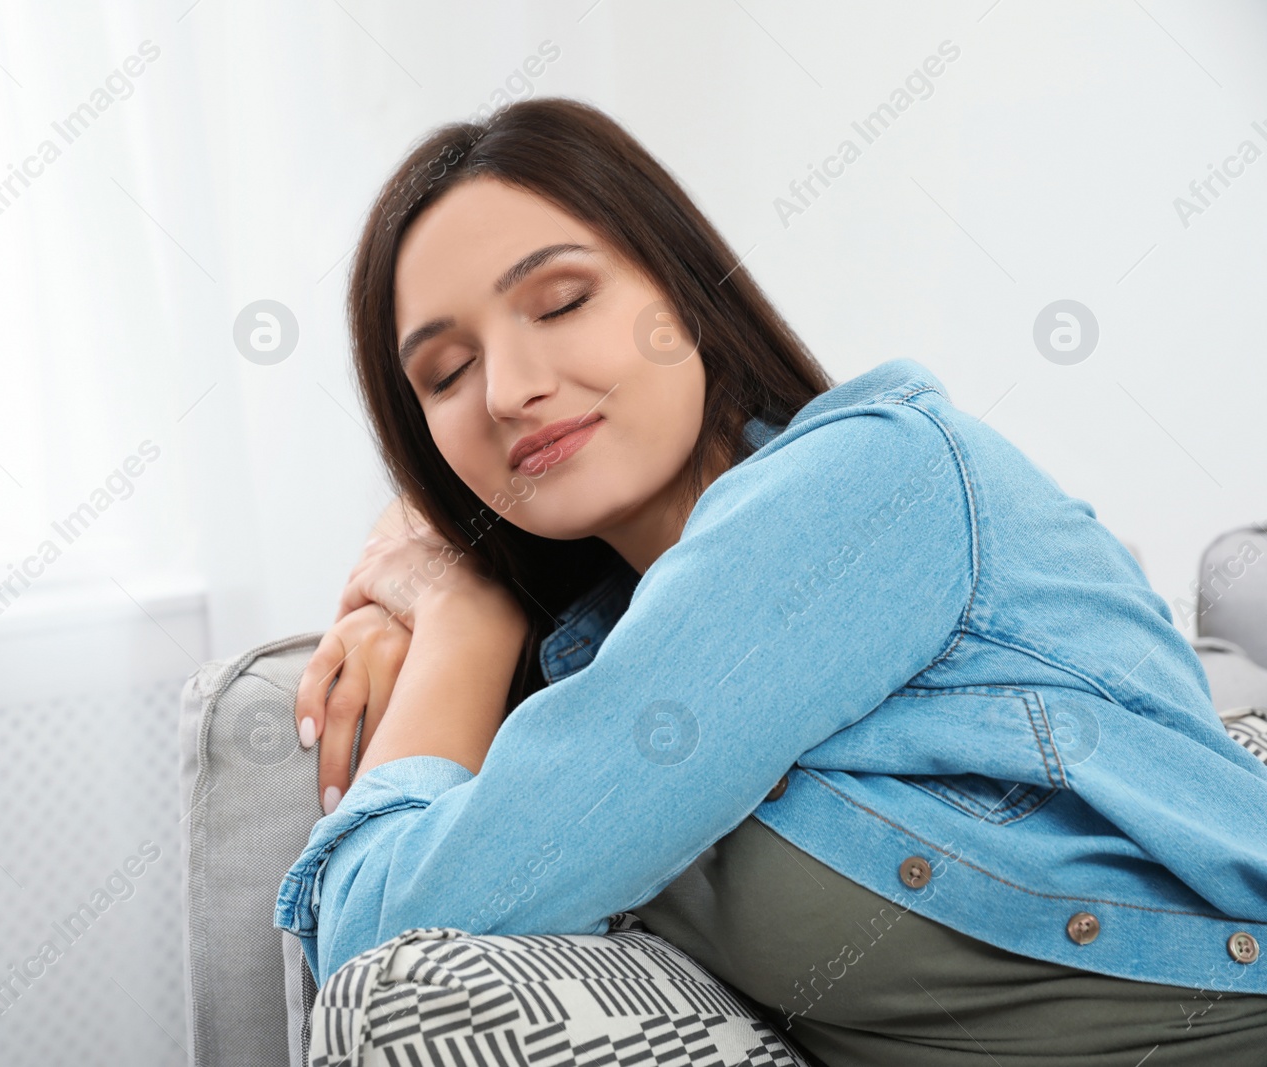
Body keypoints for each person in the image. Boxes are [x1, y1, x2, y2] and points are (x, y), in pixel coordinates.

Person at [272, 97, 1267, 1064]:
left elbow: (378, 927)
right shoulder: (599, 654)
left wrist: (453, 612)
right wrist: (456, 586)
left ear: (684, 293)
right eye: (445, 373)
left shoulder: (863, 485)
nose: (507, 389)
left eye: (563, 301)